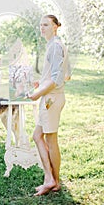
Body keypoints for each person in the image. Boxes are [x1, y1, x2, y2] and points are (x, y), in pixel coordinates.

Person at [27, 14, 71, 196]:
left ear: (55, 27)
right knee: (38, 136)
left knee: (50, 140)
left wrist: (37, 93)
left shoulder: (54, 46)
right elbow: (65, 75)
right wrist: (42, 81)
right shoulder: (56, 45)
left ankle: (51, 180)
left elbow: (56, 79)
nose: (42, 28)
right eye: (40, 25)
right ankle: (53, 179)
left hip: (51, 99)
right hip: (53, 96)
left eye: (46, 24)